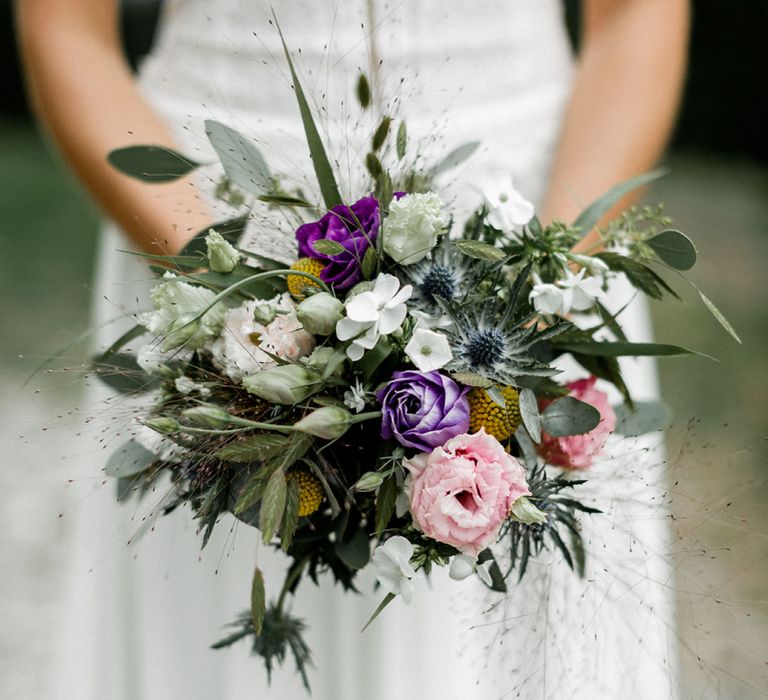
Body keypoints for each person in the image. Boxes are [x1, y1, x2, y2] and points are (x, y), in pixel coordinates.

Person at [17, 1, 690, 698]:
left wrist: (543, 283)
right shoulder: (217, 281)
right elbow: (66, 28)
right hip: (204, 234)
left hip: (537, 226)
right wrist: (224, 299)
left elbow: (637, 16)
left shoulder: (542, 282)